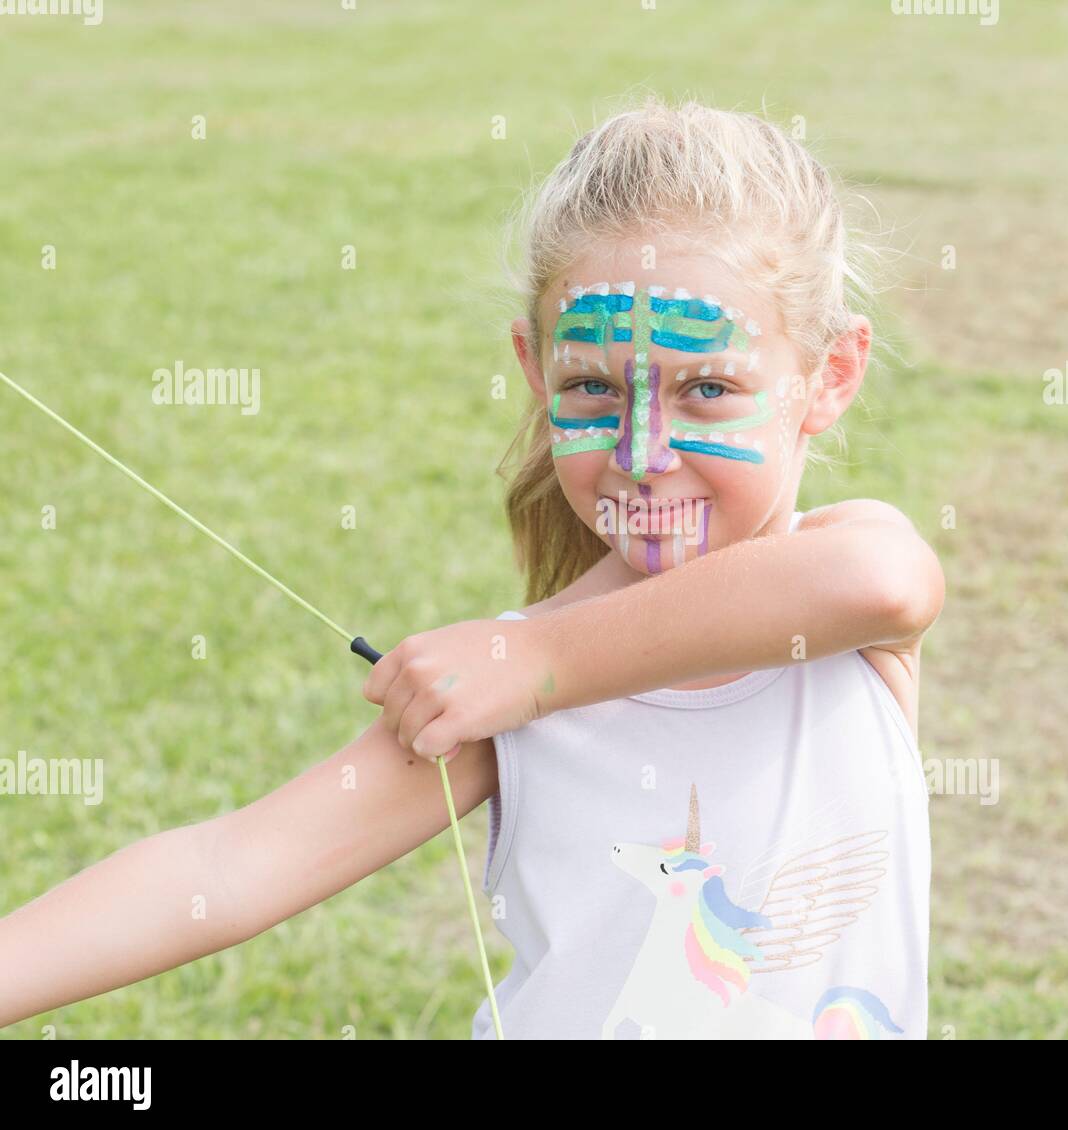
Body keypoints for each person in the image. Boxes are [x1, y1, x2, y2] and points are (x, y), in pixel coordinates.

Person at [0, 95, 944, 1039]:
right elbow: (228, 868)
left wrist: (536, 665)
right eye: (591, 387)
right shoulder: (502, 693)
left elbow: (883, 580)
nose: (642, 450)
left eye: (707, 388)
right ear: (535, 371)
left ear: (831, 376)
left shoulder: (843, 595)